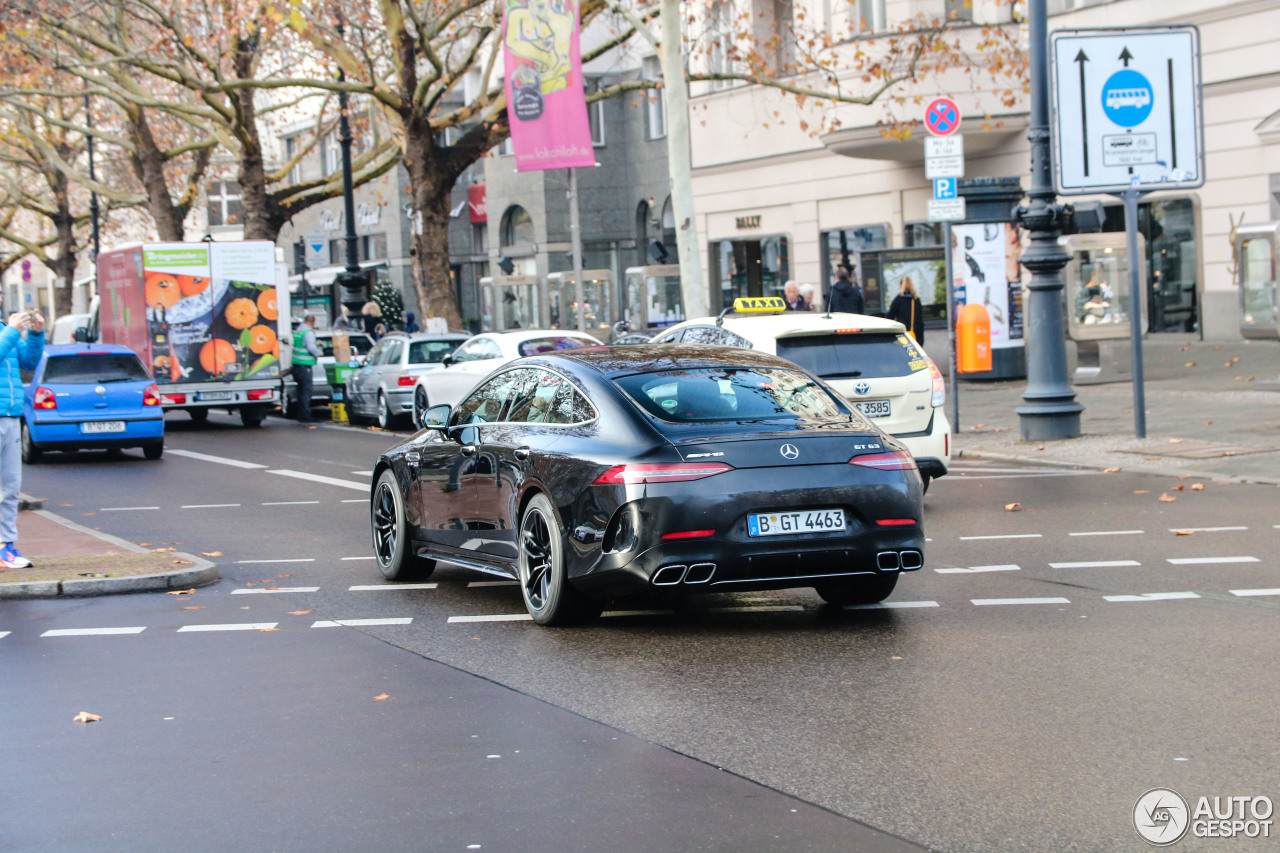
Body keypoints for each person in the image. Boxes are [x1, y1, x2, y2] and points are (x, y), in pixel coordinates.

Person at [0, 309, 45, 569]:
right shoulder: (9, 330)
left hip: (10, 415)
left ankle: (7, 548)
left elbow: (29, 361)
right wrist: (13, 331)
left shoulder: (6, 327)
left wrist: (36, 332)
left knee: (10, 487)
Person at [291, 314, 323, 423]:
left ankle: (301, 415)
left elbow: (302, 344)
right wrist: (319, 352)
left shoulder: (298, 331)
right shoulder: (308, 333)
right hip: (305, 366)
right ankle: (305, 416)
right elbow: (311, 348)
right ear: (312, 323)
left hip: (296, 365)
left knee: (301, 391)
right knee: (306, 391)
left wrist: (315, 343)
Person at [887, 276, 925, 344]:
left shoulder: (898, 299)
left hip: (902, 332)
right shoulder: (916, 299)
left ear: (901, 285)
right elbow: (920, 318)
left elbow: (890, 316)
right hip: (916, 333)